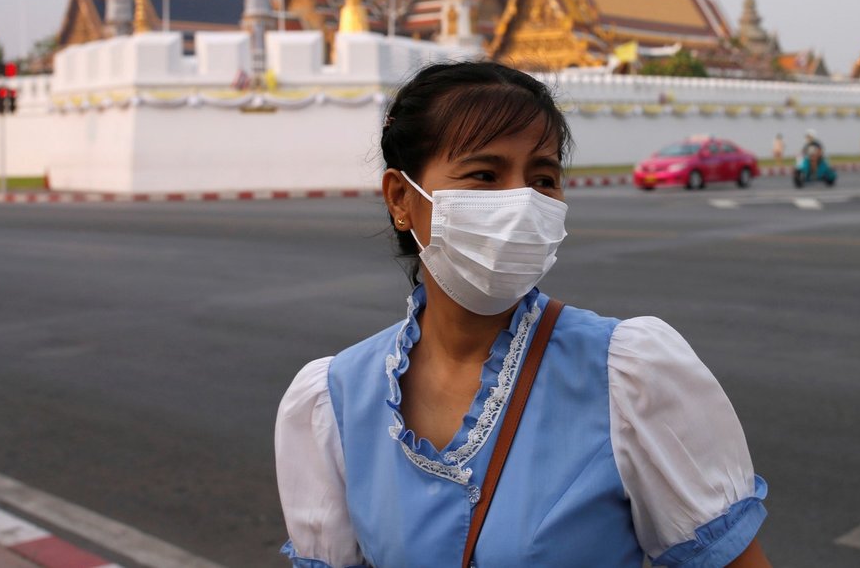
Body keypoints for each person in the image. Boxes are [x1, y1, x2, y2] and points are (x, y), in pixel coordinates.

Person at [274, 62, 770, 568]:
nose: (521, 202)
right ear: (402, 198)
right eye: (485, 175)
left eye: (543, 178)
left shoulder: (629, 376)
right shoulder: (333, 401)